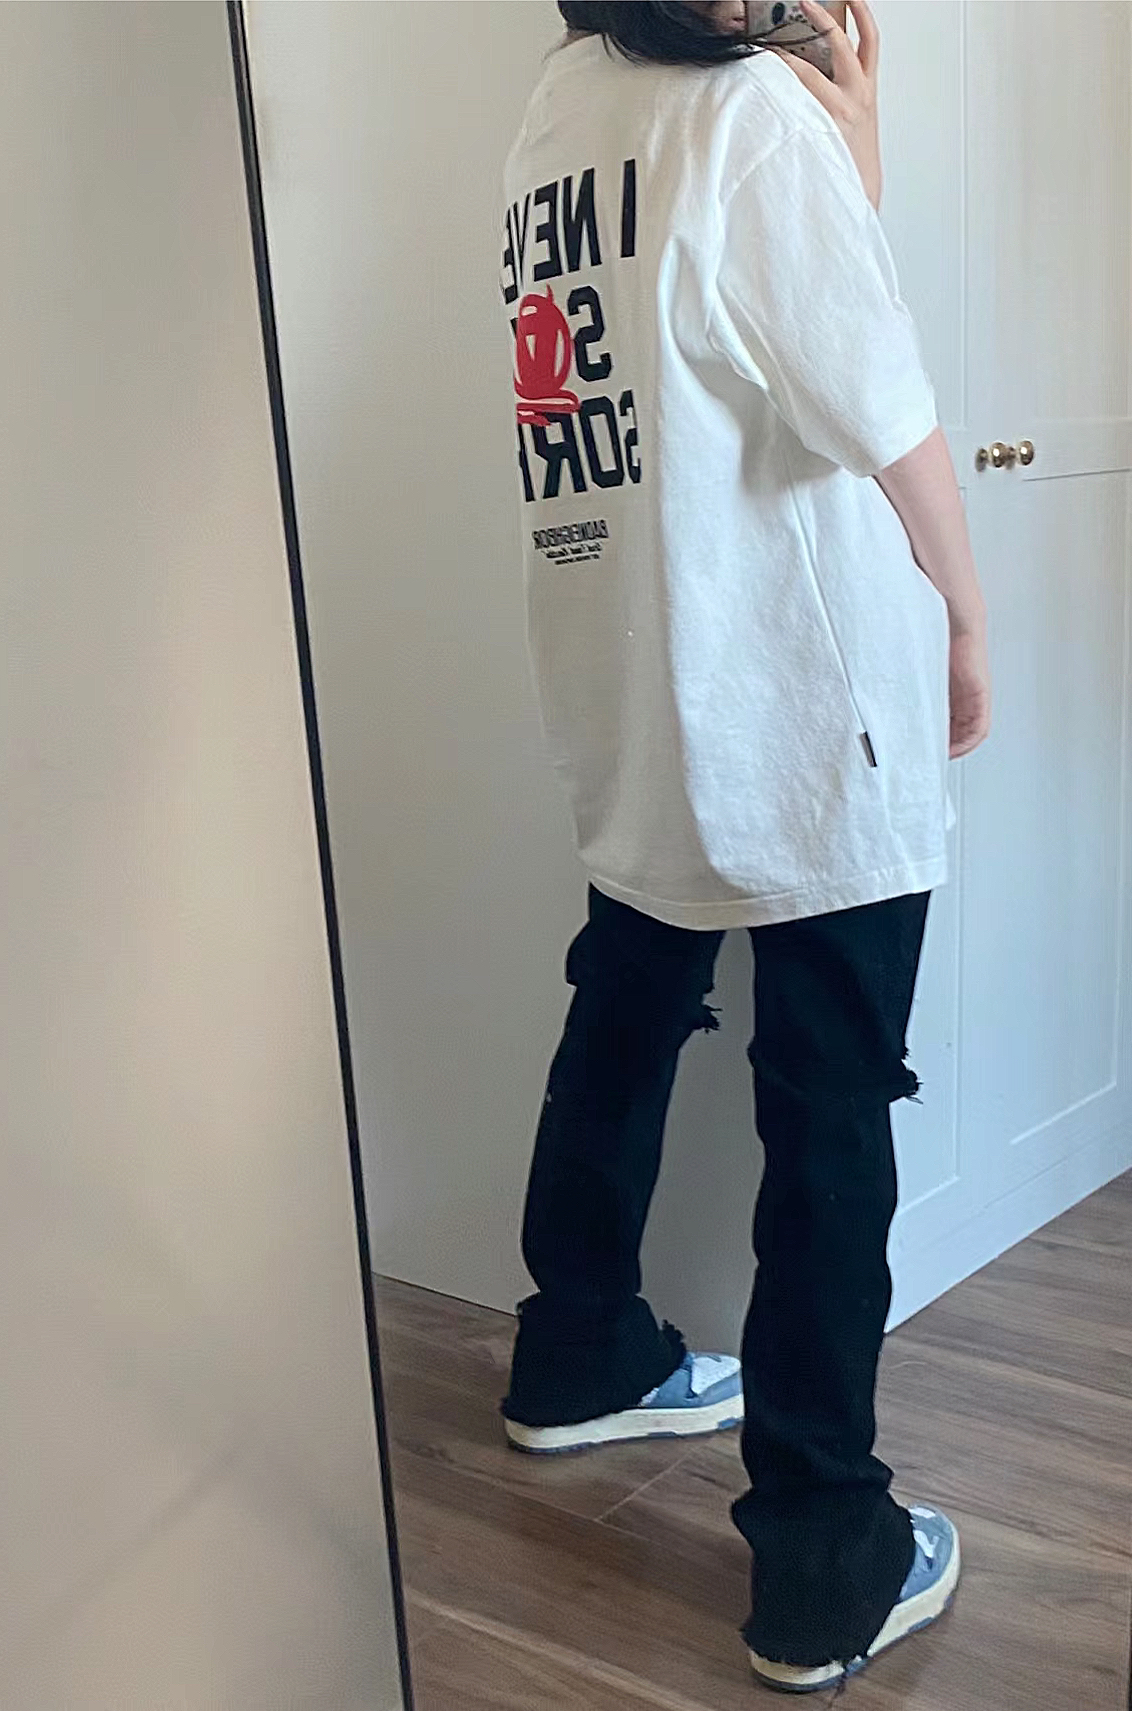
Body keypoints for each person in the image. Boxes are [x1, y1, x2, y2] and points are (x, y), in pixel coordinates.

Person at [498, 0, 991, 1693]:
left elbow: (720, 331)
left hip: (645, 679)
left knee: (625, 1008)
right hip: (799, 690)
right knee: (828, 1099)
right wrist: (965, 612)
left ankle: (576, 1349)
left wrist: (845, 157)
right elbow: (872, 389)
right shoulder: (753, 119)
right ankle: (824, 1549)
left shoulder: (557, 117)